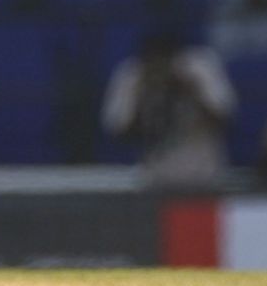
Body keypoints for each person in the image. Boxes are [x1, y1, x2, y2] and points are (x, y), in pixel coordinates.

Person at [101, 30, 236, 186]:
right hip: (154, 179)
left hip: (203, 176)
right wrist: (142, 98)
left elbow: (225, 120)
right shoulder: (133, 75)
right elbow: (119, 132)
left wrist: (191, 90)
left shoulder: (200, 66)